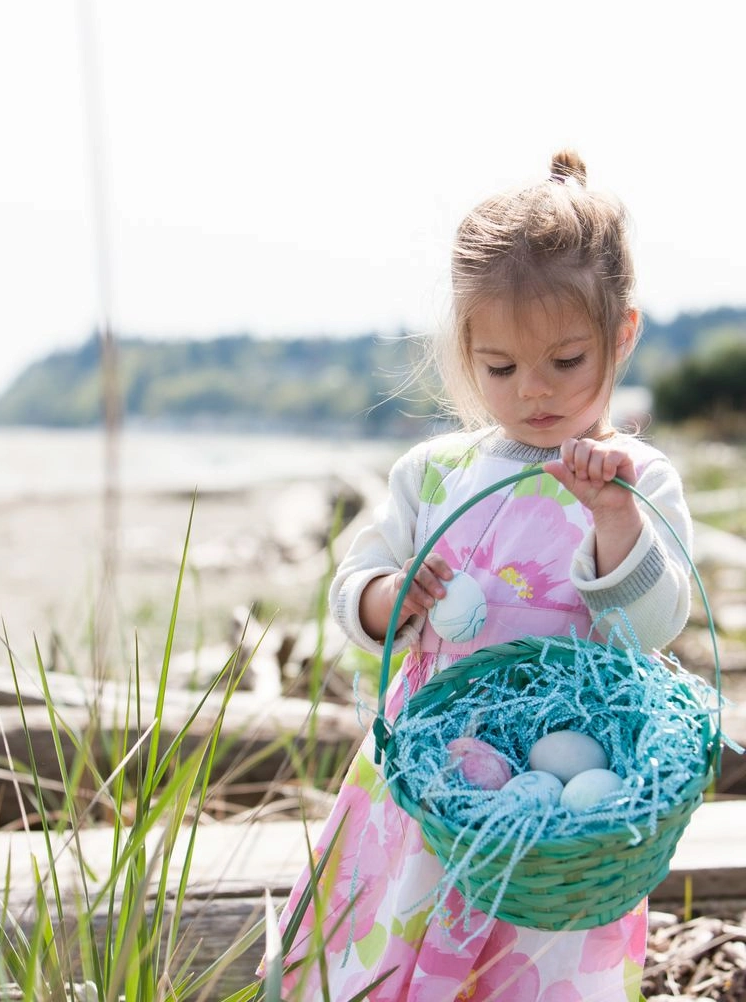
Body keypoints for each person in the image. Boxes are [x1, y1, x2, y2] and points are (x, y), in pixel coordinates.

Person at [272, 149, 692, 1001]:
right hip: (429, 781)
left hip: (564, 824)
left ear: (622, 335)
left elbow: (654, 628)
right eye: (500, 367)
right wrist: (393, 596)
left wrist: (613, 518)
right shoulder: (434, 475)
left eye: (564, 362)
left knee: (532, 967)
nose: (532, 392)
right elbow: (356, 579)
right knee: (389, 948)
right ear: (467, 350)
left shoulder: (635, 480)